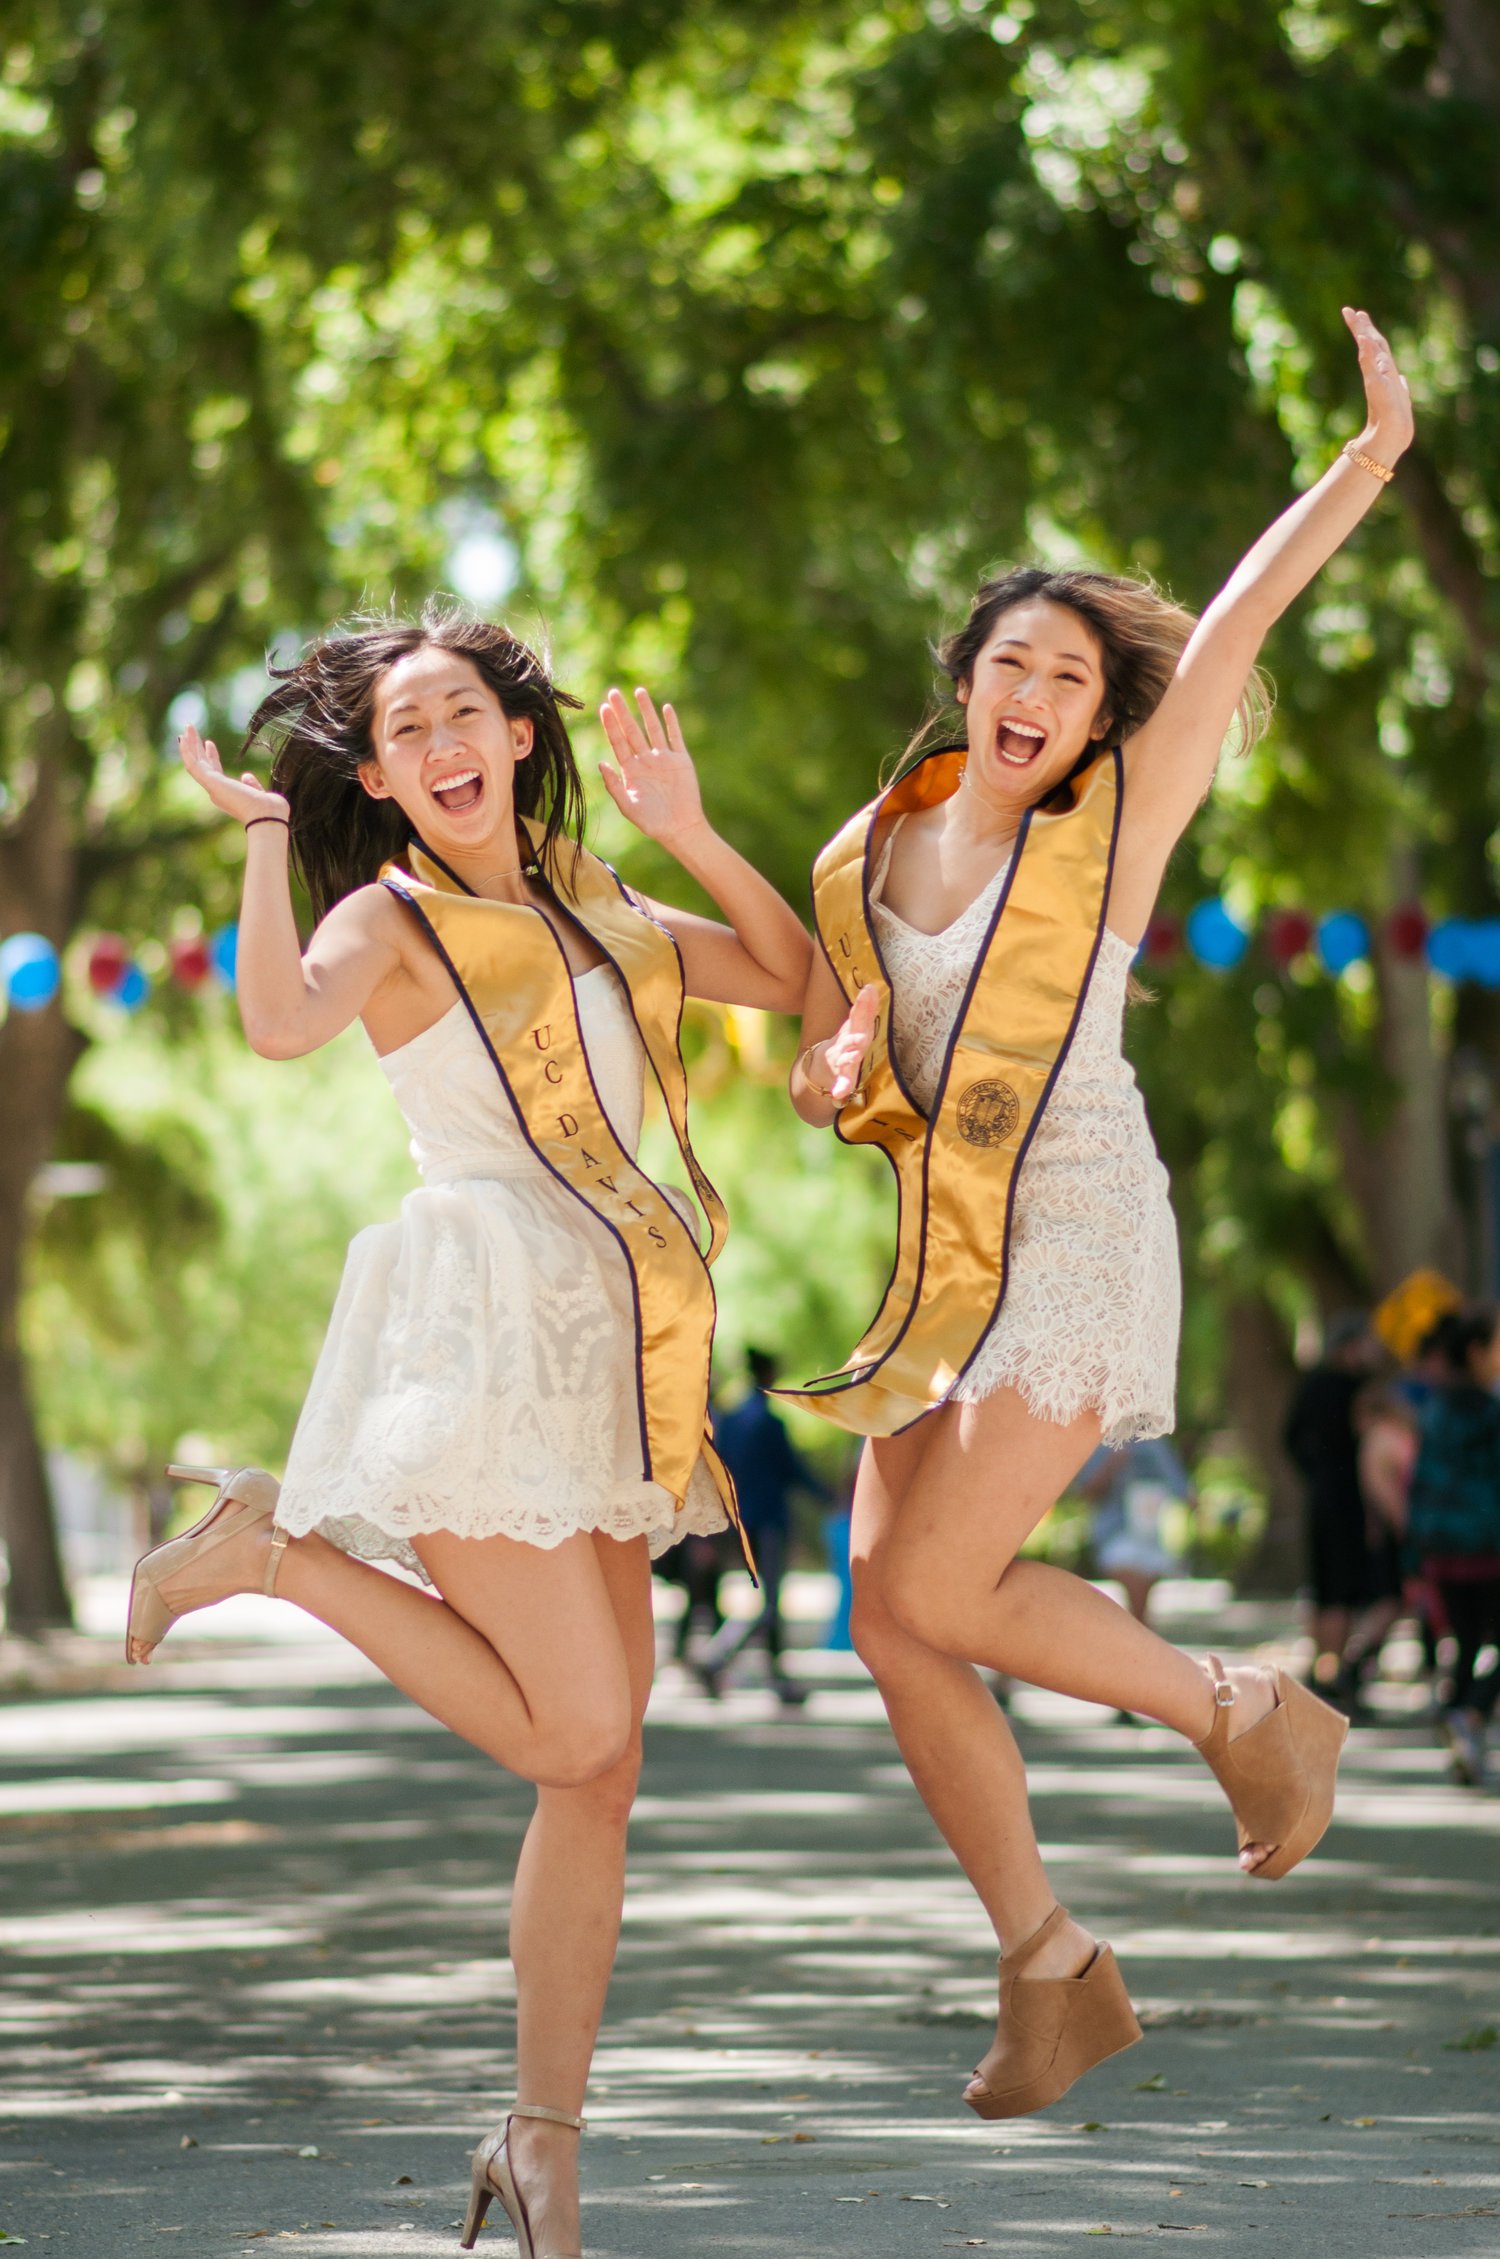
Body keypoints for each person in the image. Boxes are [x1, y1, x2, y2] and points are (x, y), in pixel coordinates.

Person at [123, 607, 810, 2259]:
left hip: (604, 1343)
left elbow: (795, 979)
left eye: (461, 714)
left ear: (513, 734)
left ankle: (539, 2135)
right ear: (379, 775)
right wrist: (269, 836)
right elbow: (279, 1018)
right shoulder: (390, 915)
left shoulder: (593, 897)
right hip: (481, 1322)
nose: (439, 745)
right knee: (578, 1730)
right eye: (404, 730)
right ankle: (272, 1552)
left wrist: (690, 830)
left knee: (605, 1770)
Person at [785, 308, 1410, 2120]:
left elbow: (1234, 630)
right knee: (886, 1616)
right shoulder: (871, 850)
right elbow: (838, 1060)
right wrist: (827, 1076)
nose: (1040, 692)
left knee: (935, 1581)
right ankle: (1049, 1963)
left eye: (1072, 676)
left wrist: (1365, 459)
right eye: (1016, 660)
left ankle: (1246, 1708)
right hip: (938, 1257)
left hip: (1074, 1222)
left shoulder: (1114, 828)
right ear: (965, 674)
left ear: (1091, 714)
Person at [696, 1347, 832, 1706]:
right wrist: (827, 1496)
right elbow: (792, 1470)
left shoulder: (730, 1420)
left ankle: (778, 1681)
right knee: (769, 1604)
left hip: (739, 1520)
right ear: (769, 1373)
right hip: (769, 1520)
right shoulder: (770, 1423)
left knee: (766, 1601)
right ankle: (715, 1657)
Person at [1405, 1307, 1500, 1788]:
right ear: (1477, 1351)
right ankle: (1471, 1713)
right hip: (1488, 1543)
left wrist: (1414, 1551)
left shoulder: (1434, 1412)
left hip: (1442, 1547)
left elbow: (1419, 1482)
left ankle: (1460, 1722)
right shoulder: (1491, 1412)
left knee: (1465, 1641)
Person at [1283, 1313, 1385, 1692]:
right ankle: (1334, 1669)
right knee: (1343, 1586)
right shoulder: (1361, 1390)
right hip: (1351, 1495)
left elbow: (1290, 1437)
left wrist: (1314, 1472)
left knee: (1323, 1584)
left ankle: (1320, 1664)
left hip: (1321, 1492)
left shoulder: (1312, 1385)